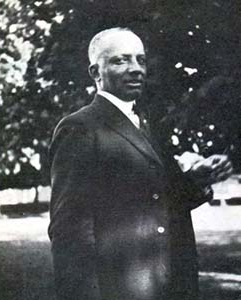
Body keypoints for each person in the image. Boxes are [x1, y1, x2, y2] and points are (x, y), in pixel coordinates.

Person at [48, 27, 233, 300]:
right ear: (95, 72)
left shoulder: (145, 125)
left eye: (140, 59)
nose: (136, 69)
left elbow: (160, 199)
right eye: (120, 60)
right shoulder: (80, 128)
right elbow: (69, 231)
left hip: (172, 283)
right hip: (122, 290)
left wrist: (198, 178)